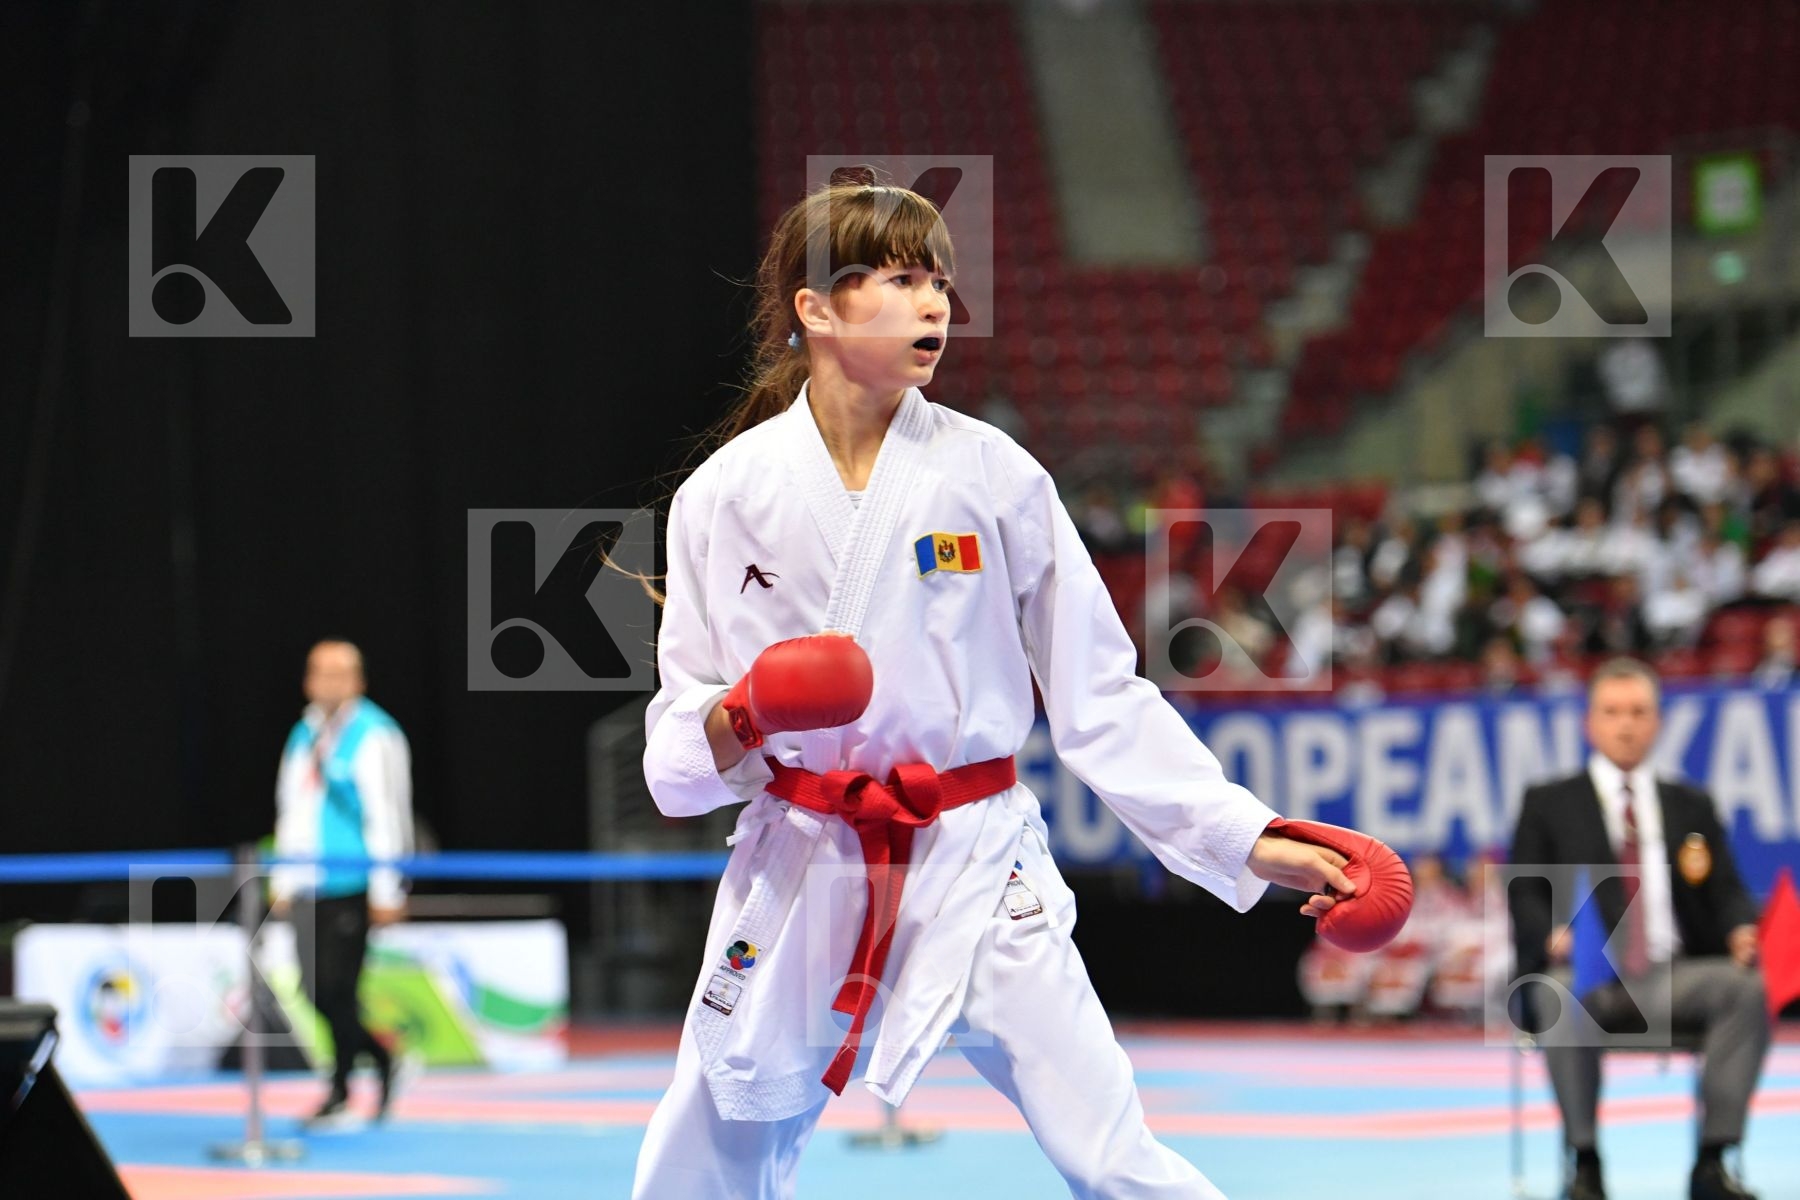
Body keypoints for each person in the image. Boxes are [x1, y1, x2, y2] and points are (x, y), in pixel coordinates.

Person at [629, 183, 1407, 1199]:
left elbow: (1102, 697)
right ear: (815, 308)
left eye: (941, 283)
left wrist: (1249, 838)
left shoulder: (995, 478)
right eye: (902, 280)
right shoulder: (722, 497)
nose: (936, 305)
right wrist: (740, 713)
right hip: (806, 854)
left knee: (1112, 1153)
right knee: (699, 1158)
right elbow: (676, 758)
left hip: (975, 857)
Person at [1508, 658, 1769, 1200]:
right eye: (1612, 712)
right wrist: (1550, 933)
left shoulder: (1691, 805)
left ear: (1657, 722)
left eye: (1638, 712)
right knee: (1557, 992)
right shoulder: (1549, 802)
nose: (1625, 724)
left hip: (1674, 975)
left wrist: (1742, 928)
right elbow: (1523, 892)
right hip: (1588, 978)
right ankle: (1584, 1164)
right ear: (1590, 723)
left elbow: (1726, 890)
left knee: (1744, 989)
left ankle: (1713, 1163)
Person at [271, 639, 414, 1127]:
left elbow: (386, 815)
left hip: (353, 882)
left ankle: (340, 1087)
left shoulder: (376, 734)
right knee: (312, 990)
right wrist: (283, 878)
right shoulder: (303, 732)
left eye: (340, 673)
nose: (329, 683)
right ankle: (382, 1057)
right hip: (308, 882)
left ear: (358, 681)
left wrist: (387, 889)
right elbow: (291, 809)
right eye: (320, 672)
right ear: (308, 680)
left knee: (338, 988)